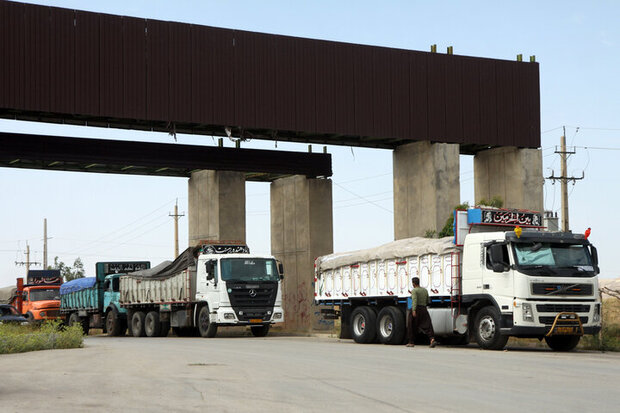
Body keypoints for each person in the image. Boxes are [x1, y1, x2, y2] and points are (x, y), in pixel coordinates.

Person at [406, 277, 436, 348]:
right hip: (424, 308)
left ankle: (411, 342)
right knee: (427, 324)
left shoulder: (414, 291)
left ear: (413, 283)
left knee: (411, 325)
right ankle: (432, 339)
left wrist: (413, 310)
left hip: (416, 309)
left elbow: (414, 300)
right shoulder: (425, 290)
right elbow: (427, 300)